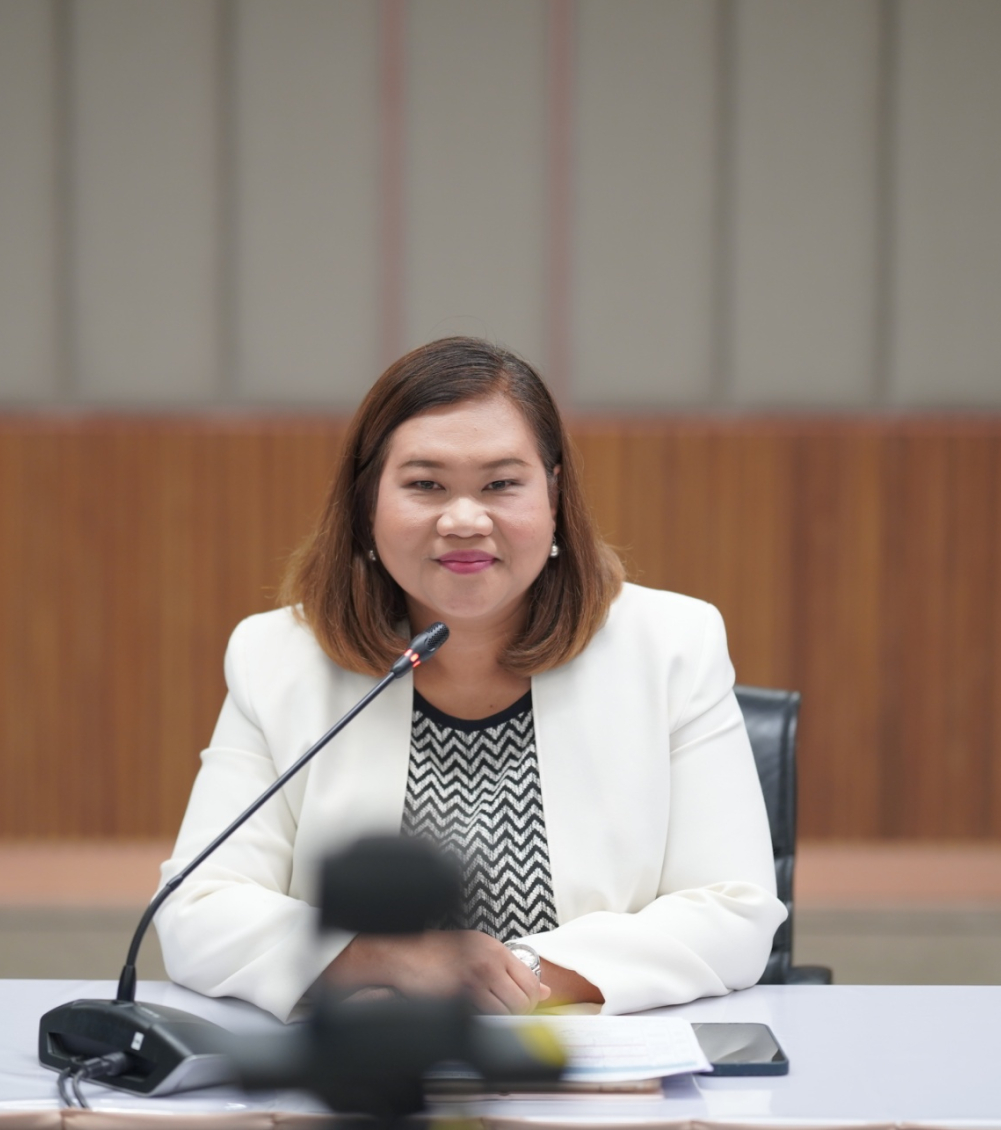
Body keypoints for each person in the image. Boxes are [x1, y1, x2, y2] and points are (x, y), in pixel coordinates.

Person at [157, 337, 785, 1020]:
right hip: (368, 1058)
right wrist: (388, 958)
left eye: (501, 484)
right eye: (425, 485)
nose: (464, 520)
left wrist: (517, 978)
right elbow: (197, 908)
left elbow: (734, 910)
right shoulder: (277, 657)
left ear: (554, 498)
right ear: (368, 504)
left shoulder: (672, 646)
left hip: (581, 1057)